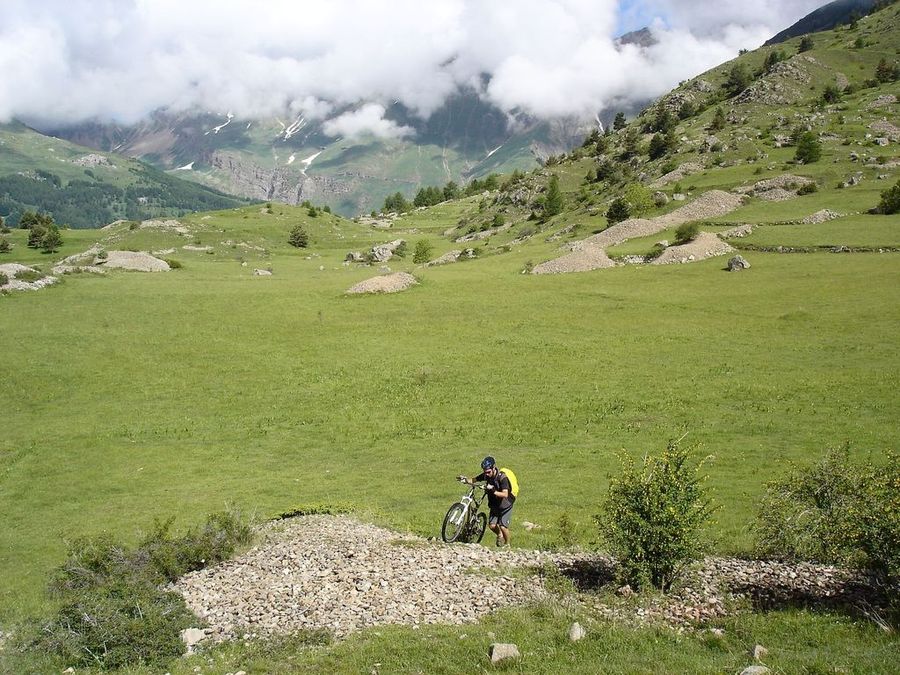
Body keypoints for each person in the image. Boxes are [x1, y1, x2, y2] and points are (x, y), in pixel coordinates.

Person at [458, 456, 515, 547]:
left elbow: (505, 494)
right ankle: (499, 535)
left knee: (503, 526)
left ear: (493, 468)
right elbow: (474, 479)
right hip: (494, 505)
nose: (487, 474)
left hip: (505, 505)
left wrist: (493, 491)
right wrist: (465, 480)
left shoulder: (502, 478)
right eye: (485, 472)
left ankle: (507, 545)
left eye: (488, 472)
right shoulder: (486, 475)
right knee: (492, 526)